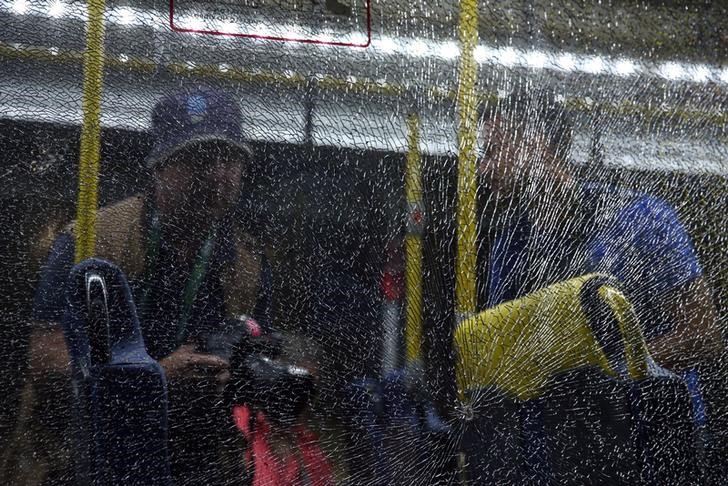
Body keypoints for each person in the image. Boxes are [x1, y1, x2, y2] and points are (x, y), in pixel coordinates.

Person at [23, 86, 272, 485]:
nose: (216, 174)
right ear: (158, 167)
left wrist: (240, 373)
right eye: (197, 159)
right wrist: (154, 375)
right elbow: (45, 359)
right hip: (93, 453)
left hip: (199, 459)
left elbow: (257, 343)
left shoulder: (245, 260)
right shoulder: (92, 240)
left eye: (229, 160)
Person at [475, 88, 726, 473]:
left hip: (655, 445)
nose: (482, 169)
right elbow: (509, 361)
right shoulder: (508, 250)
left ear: (534, 143)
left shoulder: (640, 219)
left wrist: (605, 372)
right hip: (555, 454)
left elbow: (704, 334)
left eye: (491, 151)